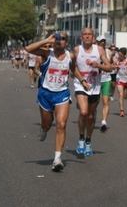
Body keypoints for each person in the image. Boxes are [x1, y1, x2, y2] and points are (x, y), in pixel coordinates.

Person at [25, 32, 83, 172]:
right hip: (45, 93)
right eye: (56, 38)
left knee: (61, 124)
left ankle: (57, 159)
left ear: (66, 43)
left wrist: (83, 81)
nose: (59, 41)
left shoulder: (71, 56)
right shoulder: (46, 53)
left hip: (62, 94)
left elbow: (73, 68)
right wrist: (46, 40)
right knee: (47, 123)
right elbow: (28, 49)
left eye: (62, 39)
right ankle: (43, 128)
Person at [74, 28, 114, 157]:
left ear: (93, 38)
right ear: (81, 37)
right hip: (81, 85)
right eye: (84, 34)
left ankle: (88, 140)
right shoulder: (76, 50)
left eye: (89, 35)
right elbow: (72, 66)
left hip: (95, 87)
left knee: (90, 116)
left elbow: (110, 67)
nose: (87, 37)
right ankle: (81, 137)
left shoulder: (99, 50)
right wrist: (80, 79)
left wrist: (99, 65)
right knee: (83, 112)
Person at [96, 36, 112, 132]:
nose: (102, 43)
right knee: (95, 102)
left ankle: (103, 121)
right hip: (96, 80)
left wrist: (114, 65)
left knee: (105, 102)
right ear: (97, 42)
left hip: (106, 79)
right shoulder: (93, 52)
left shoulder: (109, 52)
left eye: (104, 41)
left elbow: (112, 62)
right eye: (100, 41)